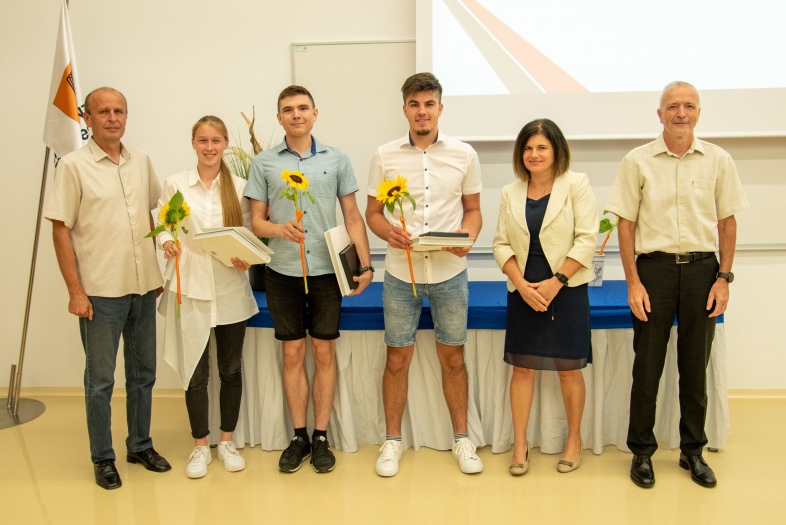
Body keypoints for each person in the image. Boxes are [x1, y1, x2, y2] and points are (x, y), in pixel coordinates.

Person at [605, 81, 749, 489]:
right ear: (660, 114)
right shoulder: (637, 161)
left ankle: (693, 451)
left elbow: (727, 223)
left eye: (688, 106)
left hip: (704, 272)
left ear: (698, 113)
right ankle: (641, 452)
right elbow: (626, 225)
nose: (680, 113)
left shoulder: (718, 160)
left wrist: (724, 279)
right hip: (655, 271)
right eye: (672, 106)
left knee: (695, 367)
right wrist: (633, 282)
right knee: (647, 366)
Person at [44, 87, 171, 490]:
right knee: (100, 381)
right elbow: (60, 230)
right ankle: (103, 457)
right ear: (87, 118)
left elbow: (153, 214)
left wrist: (156, 270)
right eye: (103, 112)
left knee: (144, 374)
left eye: (119, 111)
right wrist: (75, 292)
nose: (112, 118)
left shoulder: (141, 161)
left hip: (143, 288)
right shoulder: (73, 166)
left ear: (126, 117)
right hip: (99, 293)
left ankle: (140, 445)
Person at [244, 85, 373, 474]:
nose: (296, 114)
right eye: (288, 109)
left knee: (324, 353)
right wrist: (278, 230)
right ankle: (298, 436)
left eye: (303, 108)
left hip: (326, 272)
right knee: (292, 354)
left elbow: (353, 216)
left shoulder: (337, 158)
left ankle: (320, 437)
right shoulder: (264, 162)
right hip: (281, 272)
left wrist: (366, 265)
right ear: (279, 117)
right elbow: (256, 222)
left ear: (315, 114)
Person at [366, 72, 483, 477]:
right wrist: (387, 232)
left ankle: (462, 439)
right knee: (397, 357)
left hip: (451, 271)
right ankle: (392, 441)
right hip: (402, 273)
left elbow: (473, 210)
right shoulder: (384, 156)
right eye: (414, 104)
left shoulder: (464, 155)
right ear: (404, 109)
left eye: (429, 104)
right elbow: (372, 214)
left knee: (453, 357)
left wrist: (469, 237)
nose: (422, 111)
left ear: (440, 108)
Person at [492, 119, 598, 476]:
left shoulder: (576, 184)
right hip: (524, 290)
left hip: (566, 289)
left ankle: (574, 440)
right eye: (527, 148)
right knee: (522, 369)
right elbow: (500, 244)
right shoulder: (510, 192)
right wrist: (521, 284)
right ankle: (520, 444)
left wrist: (557, 281)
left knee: (568, 370)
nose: (533, 154)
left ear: (556, 151)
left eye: (541, 147)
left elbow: (587, 238)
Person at [157, 116, 259, 479]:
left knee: (230, 369)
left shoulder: (240, 187)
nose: (210, 147)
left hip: (229, 287)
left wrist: (244, 256)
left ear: (226, 144)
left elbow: (248, 234)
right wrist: (166, 242)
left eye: (216, 141)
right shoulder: (176, 184)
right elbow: (164, 225)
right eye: (203, 140)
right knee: (195, 372)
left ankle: (226, 441)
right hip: (191, 288)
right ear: (193, 143)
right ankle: (200, 445)